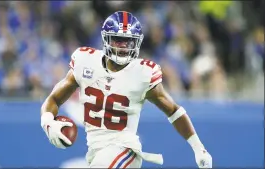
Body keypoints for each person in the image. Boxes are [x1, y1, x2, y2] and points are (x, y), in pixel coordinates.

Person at [40, 11, 212, 168]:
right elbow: (54, 99)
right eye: (118, 39)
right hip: (96, 151)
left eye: (129, 41)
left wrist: (199, 148)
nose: (123, 46)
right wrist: (48, 122)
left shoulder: (142, 73)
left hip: (125, 149)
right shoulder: (85, 62)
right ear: (106, 39)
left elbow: (174, 111)